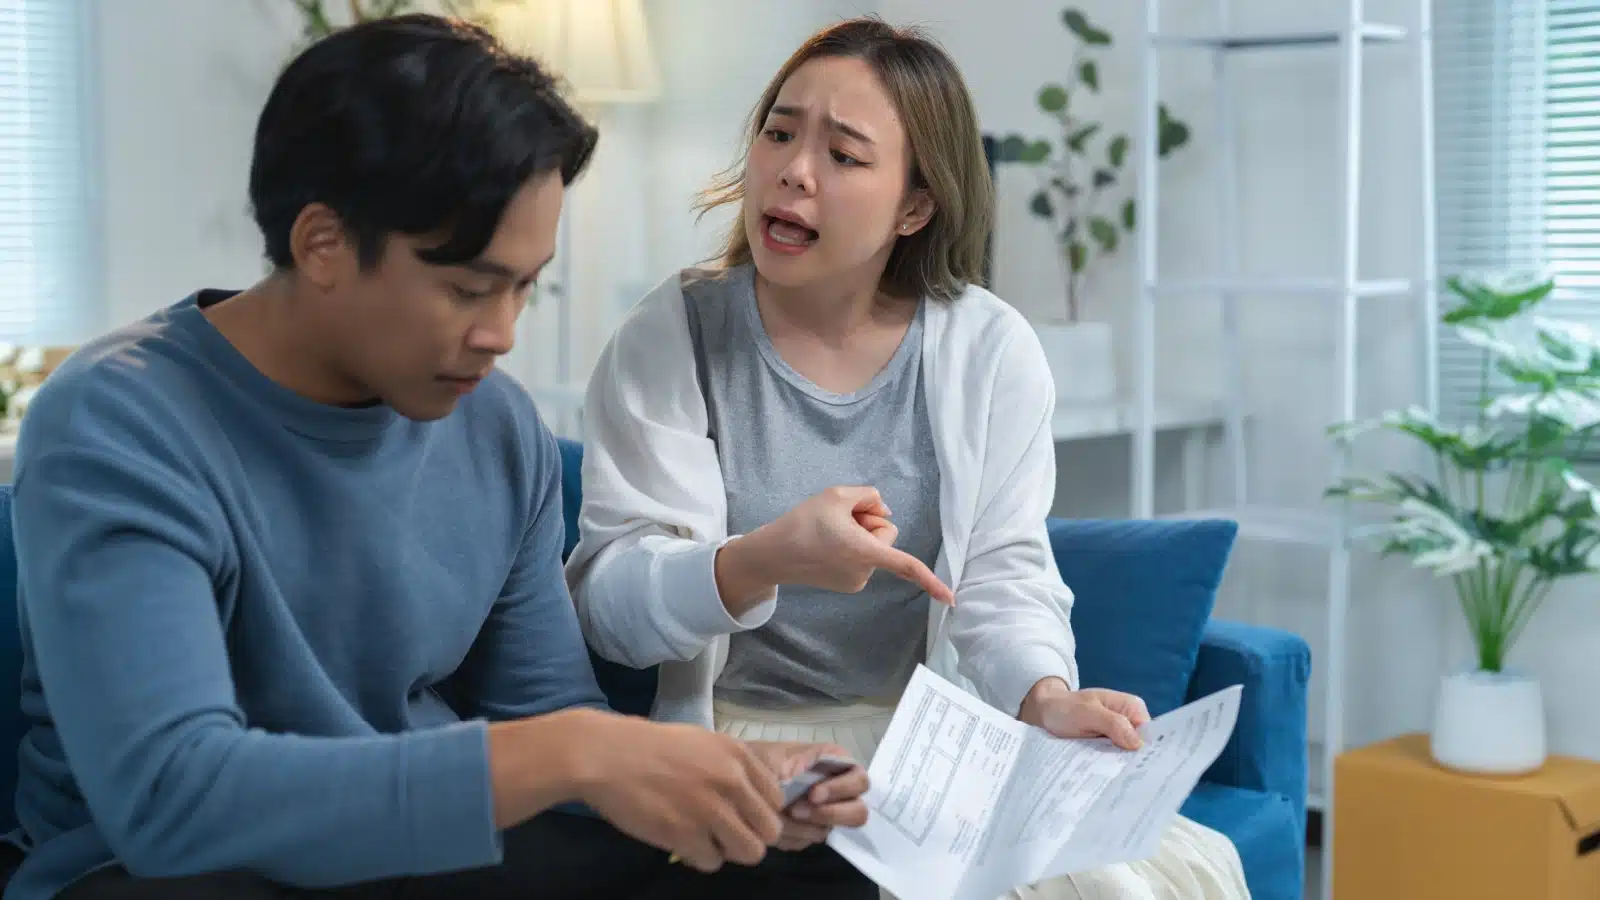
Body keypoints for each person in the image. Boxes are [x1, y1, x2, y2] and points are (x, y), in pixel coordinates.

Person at [0, 14, 871, 900]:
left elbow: (551, 718)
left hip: (422, 856)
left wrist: (722, 780)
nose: (501, 334)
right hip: (176, 870)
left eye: (524, 287)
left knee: (798, 867)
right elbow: (172, 800)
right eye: (467, 288)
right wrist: (572, 752)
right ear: (322, 244)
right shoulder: (120, 419)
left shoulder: (496, 426)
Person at [566, 16, 1254, 900]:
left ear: (915, 206)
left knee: (1140, 883)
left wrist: (1046, 697)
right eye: (779, 133)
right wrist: (762, 559)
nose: (794, 170)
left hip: (933, 748)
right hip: (742, 748)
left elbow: (1004, 574)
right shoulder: (670, 336)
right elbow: (609, 609)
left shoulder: (989, 349)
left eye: (844, 155)